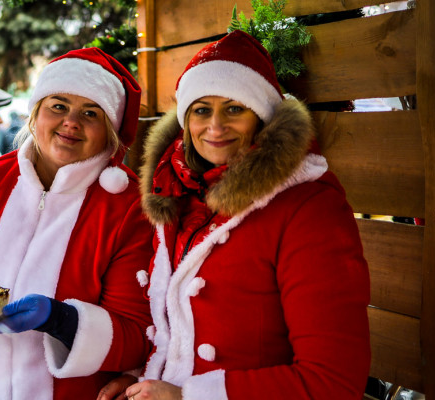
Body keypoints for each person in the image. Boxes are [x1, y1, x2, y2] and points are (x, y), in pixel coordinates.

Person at [98, 31, 370, 400]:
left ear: (261, 116)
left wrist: (186, 397)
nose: (215, 126)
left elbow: (333, 383)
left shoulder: (309, 209)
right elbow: (177, 329)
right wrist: (141, 378)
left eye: (234, 108)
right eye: (201, 110)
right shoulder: (177, 194)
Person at [0, 48, 154, 399]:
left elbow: (137, 333)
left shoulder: (128, 207)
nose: (71, 122)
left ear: (110, 130)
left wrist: (62, 320)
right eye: (58, 106)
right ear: (35, 113)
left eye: (90, 113)